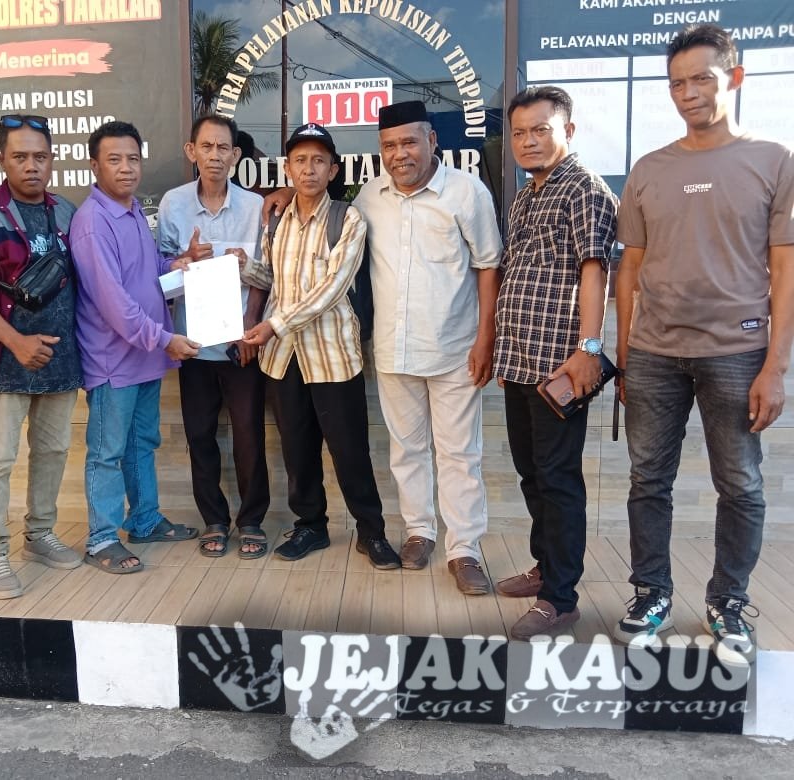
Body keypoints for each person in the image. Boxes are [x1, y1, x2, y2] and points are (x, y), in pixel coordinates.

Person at [614, 24, 794, 664]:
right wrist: (626, 354)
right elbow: (630, 267)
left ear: (734, 78)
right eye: (676, 84)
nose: (688, 93)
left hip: (737, 353)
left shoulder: (774, 160)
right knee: (647, 480)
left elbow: (785, 267)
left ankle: (729, 601)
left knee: (740, 484)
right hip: (654, 354)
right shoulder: (649, 169)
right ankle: (651, 594)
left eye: (701, 79)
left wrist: (775, 366)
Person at [353, 100, 502, 594]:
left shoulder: (467, 192)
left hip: (456, 351)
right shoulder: (369, 196)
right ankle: (419, 531)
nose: (400, 154)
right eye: (389, 145)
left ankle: (465, 550)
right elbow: (332, 221)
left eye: (409, 142)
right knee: (407, 450)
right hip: (393, 350)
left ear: (432, 141)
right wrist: (287, 193)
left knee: (459, 455)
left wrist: (485, 338)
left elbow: (488, 265)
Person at [241, 122, 401, 570]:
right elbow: (271, 277)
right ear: (287, 169)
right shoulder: (276, 219)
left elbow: (332, 288)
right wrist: (241, 266)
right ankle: (310, 525)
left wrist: (274, 324)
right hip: (283, 358)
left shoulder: (347, 220)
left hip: (332, 355)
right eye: (299, 160)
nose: (308, 169)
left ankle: (371, 532)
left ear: (332, 170)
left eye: (318, 160)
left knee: (350, 451)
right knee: (297, 450)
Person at [492, 86, 618, 640]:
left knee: (559, 479)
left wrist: (589, 349)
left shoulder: (584, 189)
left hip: (560, 367)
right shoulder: (524, 196)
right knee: (532, 473)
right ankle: (546, 567)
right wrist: (503, 351)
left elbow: (595, 270)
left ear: (567, 130)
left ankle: (560, 599)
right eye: (519, 132)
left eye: (540, 130)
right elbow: (518, 273)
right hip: (521, 361)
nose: (528, 141)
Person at [0, 114, 83, 599]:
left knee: (52, 452)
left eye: (40, 156)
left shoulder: (68, 212)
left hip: (61, 358)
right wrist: (16, 342)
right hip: (4, 360)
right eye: (20, 157)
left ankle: (39, 535)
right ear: (1, 159)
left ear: (52, 160)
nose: (31, 166)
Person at [70, 120, 200, 574]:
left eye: (133, 158)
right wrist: (166, 339)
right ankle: (101, 539)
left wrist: (181, 264)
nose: (126, 168)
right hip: (112, 362)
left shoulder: (132, 212)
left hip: (144, 359)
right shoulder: (93, 222)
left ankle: (144, 520)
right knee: (106, 452)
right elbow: (115, 304)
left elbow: (148, 272)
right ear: (95, 166)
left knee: (142, 442)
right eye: (114, 159)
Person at [157, 115, 270, 558]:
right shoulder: (173, 205)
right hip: (194, 344)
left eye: (224, 147)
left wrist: (250, 324)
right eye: (207, 146)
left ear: (236, 155)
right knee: (200, 435)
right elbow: (161, 275)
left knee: (248, 436)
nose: (215, 156)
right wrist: (184, 259)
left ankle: (252, 520)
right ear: (192, 151)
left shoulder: (255, 207)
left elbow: (268, 276)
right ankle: (214, 520)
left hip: (242, 344)